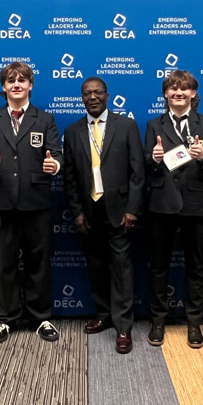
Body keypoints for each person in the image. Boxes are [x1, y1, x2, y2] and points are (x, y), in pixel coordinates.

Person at [0, 62, 62, 344]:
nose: (16, 85)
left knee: (38, 262)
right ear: (3, 87)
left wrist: (55, 166)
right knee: (4, 264)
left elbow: (57, 154)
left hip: (36, 202)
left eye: (22, 80)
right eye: (10, 80)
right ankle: (6, 318)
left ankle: (41, 317)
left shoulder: (45, 118)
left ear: (30, 85)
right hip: (0, 202)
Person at [63, 76, 144, 354]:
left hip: (120, 211)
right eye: (87, 93)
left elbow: (138, 172)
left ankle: (123, 326)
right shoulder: (73, 131)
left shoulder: (127, 126)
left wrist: (133, 208)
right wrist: (77, 211)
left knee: (121, 269)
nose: (93, 97)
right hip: (89, 210)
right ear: (82, 98)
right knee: (96, 266)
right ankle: (104, 314)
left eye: (98, 92)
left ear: (107, 96)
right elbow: (70, 177)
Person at [144, 70, 203, 349]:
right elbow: (146, 169)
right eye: (173, 89)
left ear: (193, 94)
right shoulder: (154, 125)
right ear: (165, 94)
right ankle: (158, 320)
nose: (178, 93)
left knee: (196, 267)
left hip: (195, 203)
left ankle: (194, 323)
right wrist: (153, 159)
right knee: (159, 267)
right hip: (162, 204)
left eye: (184, 89)